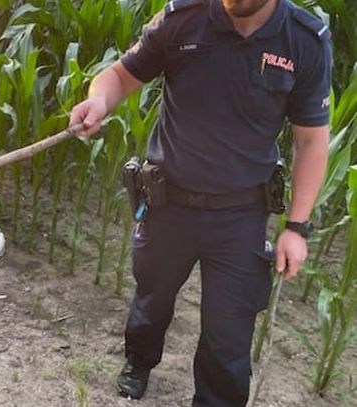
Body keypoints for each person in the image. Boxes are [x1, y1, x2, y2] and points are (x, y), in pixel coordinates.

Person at [69, 0, 331, 405]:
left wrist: (296, 227)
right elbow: (119, 77)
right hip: (167, 202)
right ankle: (139, 360)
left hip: (240, 215)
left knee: (228, 336)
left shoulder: (304, 41)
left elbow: (311, 141)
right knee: (151, 301)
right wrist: (100, 102)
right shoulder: (183, 18)